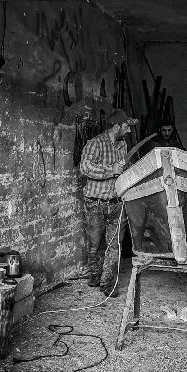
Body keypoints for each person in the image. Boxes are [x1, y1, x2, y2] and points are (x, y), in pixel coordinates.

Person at [79, 109, 138, 297]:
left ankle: (108, 284)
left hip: (116, 204)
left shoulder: (123, 146)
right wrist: (111, 170)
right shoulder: (94, 144)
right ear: (116, 126)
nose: (129, 131)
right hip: (95, 203)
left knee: (115, 245)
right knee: (95, 244)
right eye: (127, 126)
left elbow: (123, 169)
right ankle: (95, 276)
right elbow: (85, 168)